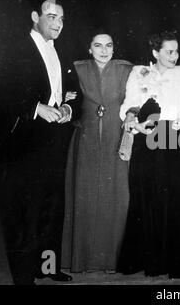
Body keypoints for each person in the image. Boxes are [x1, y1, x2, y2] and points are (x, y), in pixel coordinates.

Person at [0, 0, 80, 285]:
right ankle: (24, 276)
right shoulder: (13, 48)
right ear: (35, 16)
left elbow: (73, 92)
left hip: (56, 139)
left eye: (61, 19)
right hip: (25, 142)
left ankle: (47, 267)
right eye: (52, 17)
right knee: (24, 210)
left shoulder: (62, 51)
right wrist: (35, 108)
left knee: (52, 206)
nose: (58, 23)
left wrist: (68, 109)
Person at [117, 31, 180, 278]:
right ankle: (150, 261)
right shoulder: (138, 72)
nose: (174, 56)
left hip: (176, 139)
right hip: (146, 140)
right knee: (147, 200)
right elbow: (128, 106)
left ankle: (175, 262)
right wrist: (134, 121)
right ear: (155, 53)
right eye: (168, 51)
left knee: (177, 200)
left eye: (176, 51)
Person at [61, 31, 133, 273]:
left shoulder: (126, 70)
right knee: (86, 197)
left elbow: (137, 98)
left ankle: (111, 261)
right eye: (98, 45)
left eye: (109, 45)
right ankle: (82, 260)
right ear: (89, 48)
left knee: (116, 198)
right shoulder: (77, 69)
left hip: (116, 137)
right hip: (87, 139)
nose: (104, 50)